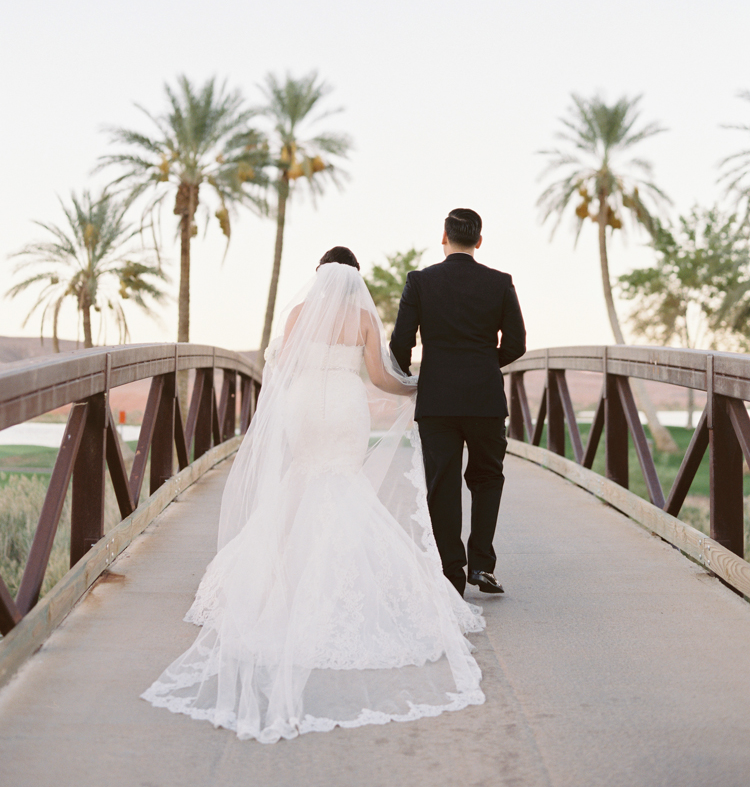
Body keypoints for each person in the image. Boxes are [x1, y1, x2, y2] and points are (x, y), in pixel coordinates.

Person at [142, 247, 485, 743]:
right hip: (345, 405)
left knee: (302, 480)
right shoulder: (365, 316)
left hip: (305, 405)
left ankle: (283, 576)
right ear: (355, 279)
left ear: (319, 277)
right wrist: (414, 386)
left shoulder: (299, 313)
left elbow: (284, 370)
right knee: (341, 482)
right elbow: (379, 376)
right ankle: (340, 577)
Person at [390, 209, 526, 597]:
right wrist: (483, 364)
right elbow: (516, 344)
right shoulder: (500, 283)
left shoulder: (420, 281)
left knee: (442, 483)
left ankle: (451, 571)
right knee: (487, 479)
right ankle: (481, 565)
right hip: (485, 399)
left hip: (437, 402)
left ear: (444, 237)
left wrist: (411, 377)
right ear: (479, 241)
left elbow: (402, 340)